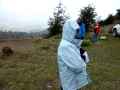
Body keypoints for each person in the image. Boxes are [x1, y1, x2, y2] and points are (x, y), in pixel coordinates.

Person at [57, 17, 91, 90]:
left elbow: (85, 59)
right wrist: (83, 58)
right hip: (69, 83)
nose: (78, 35)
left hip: (72, 81)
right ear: (69, 31)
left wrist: (82, 57)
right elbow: (78, 67)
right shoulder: (65, 47)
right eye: (76, 31)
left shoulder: (72, 45)